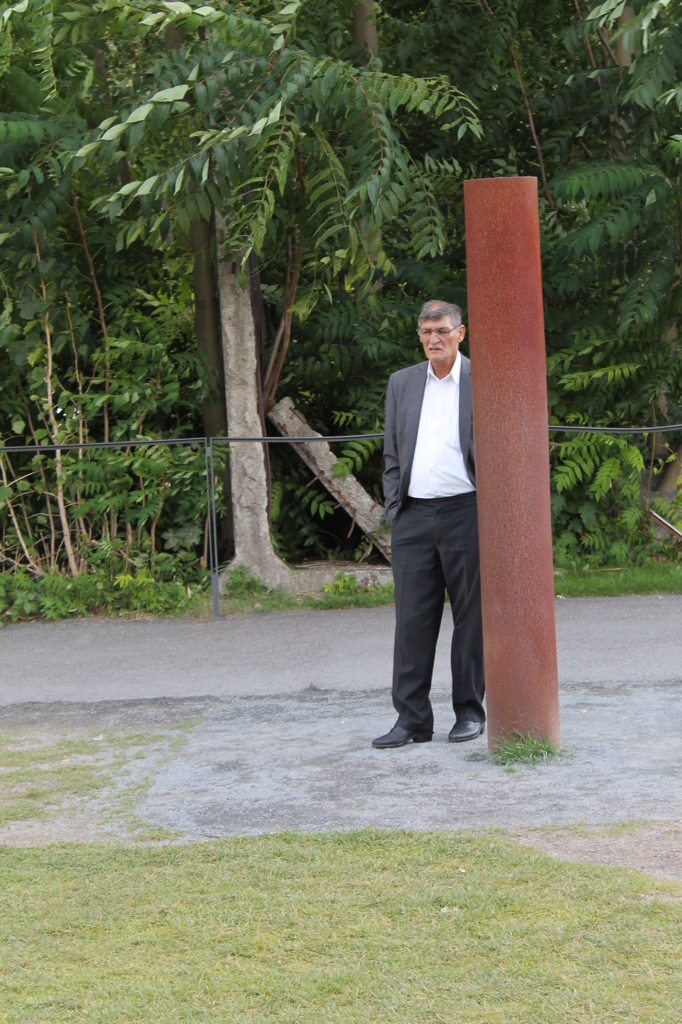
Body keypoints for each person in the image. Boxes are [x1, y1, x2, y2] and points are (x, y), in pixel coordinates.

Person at [373, 299, 485, 749]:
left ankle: (469, 712)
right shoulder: (402, 382)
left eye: (441, 330)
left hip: (467, 512)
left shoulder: (483, 379)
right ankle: (412, 720)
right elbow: (392, 451)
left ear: (460, 333)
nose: (433, 339)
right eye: (426, 331)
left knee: (471, 618)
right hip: (414, 516)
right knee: (411, 621)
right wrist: (395, 510)